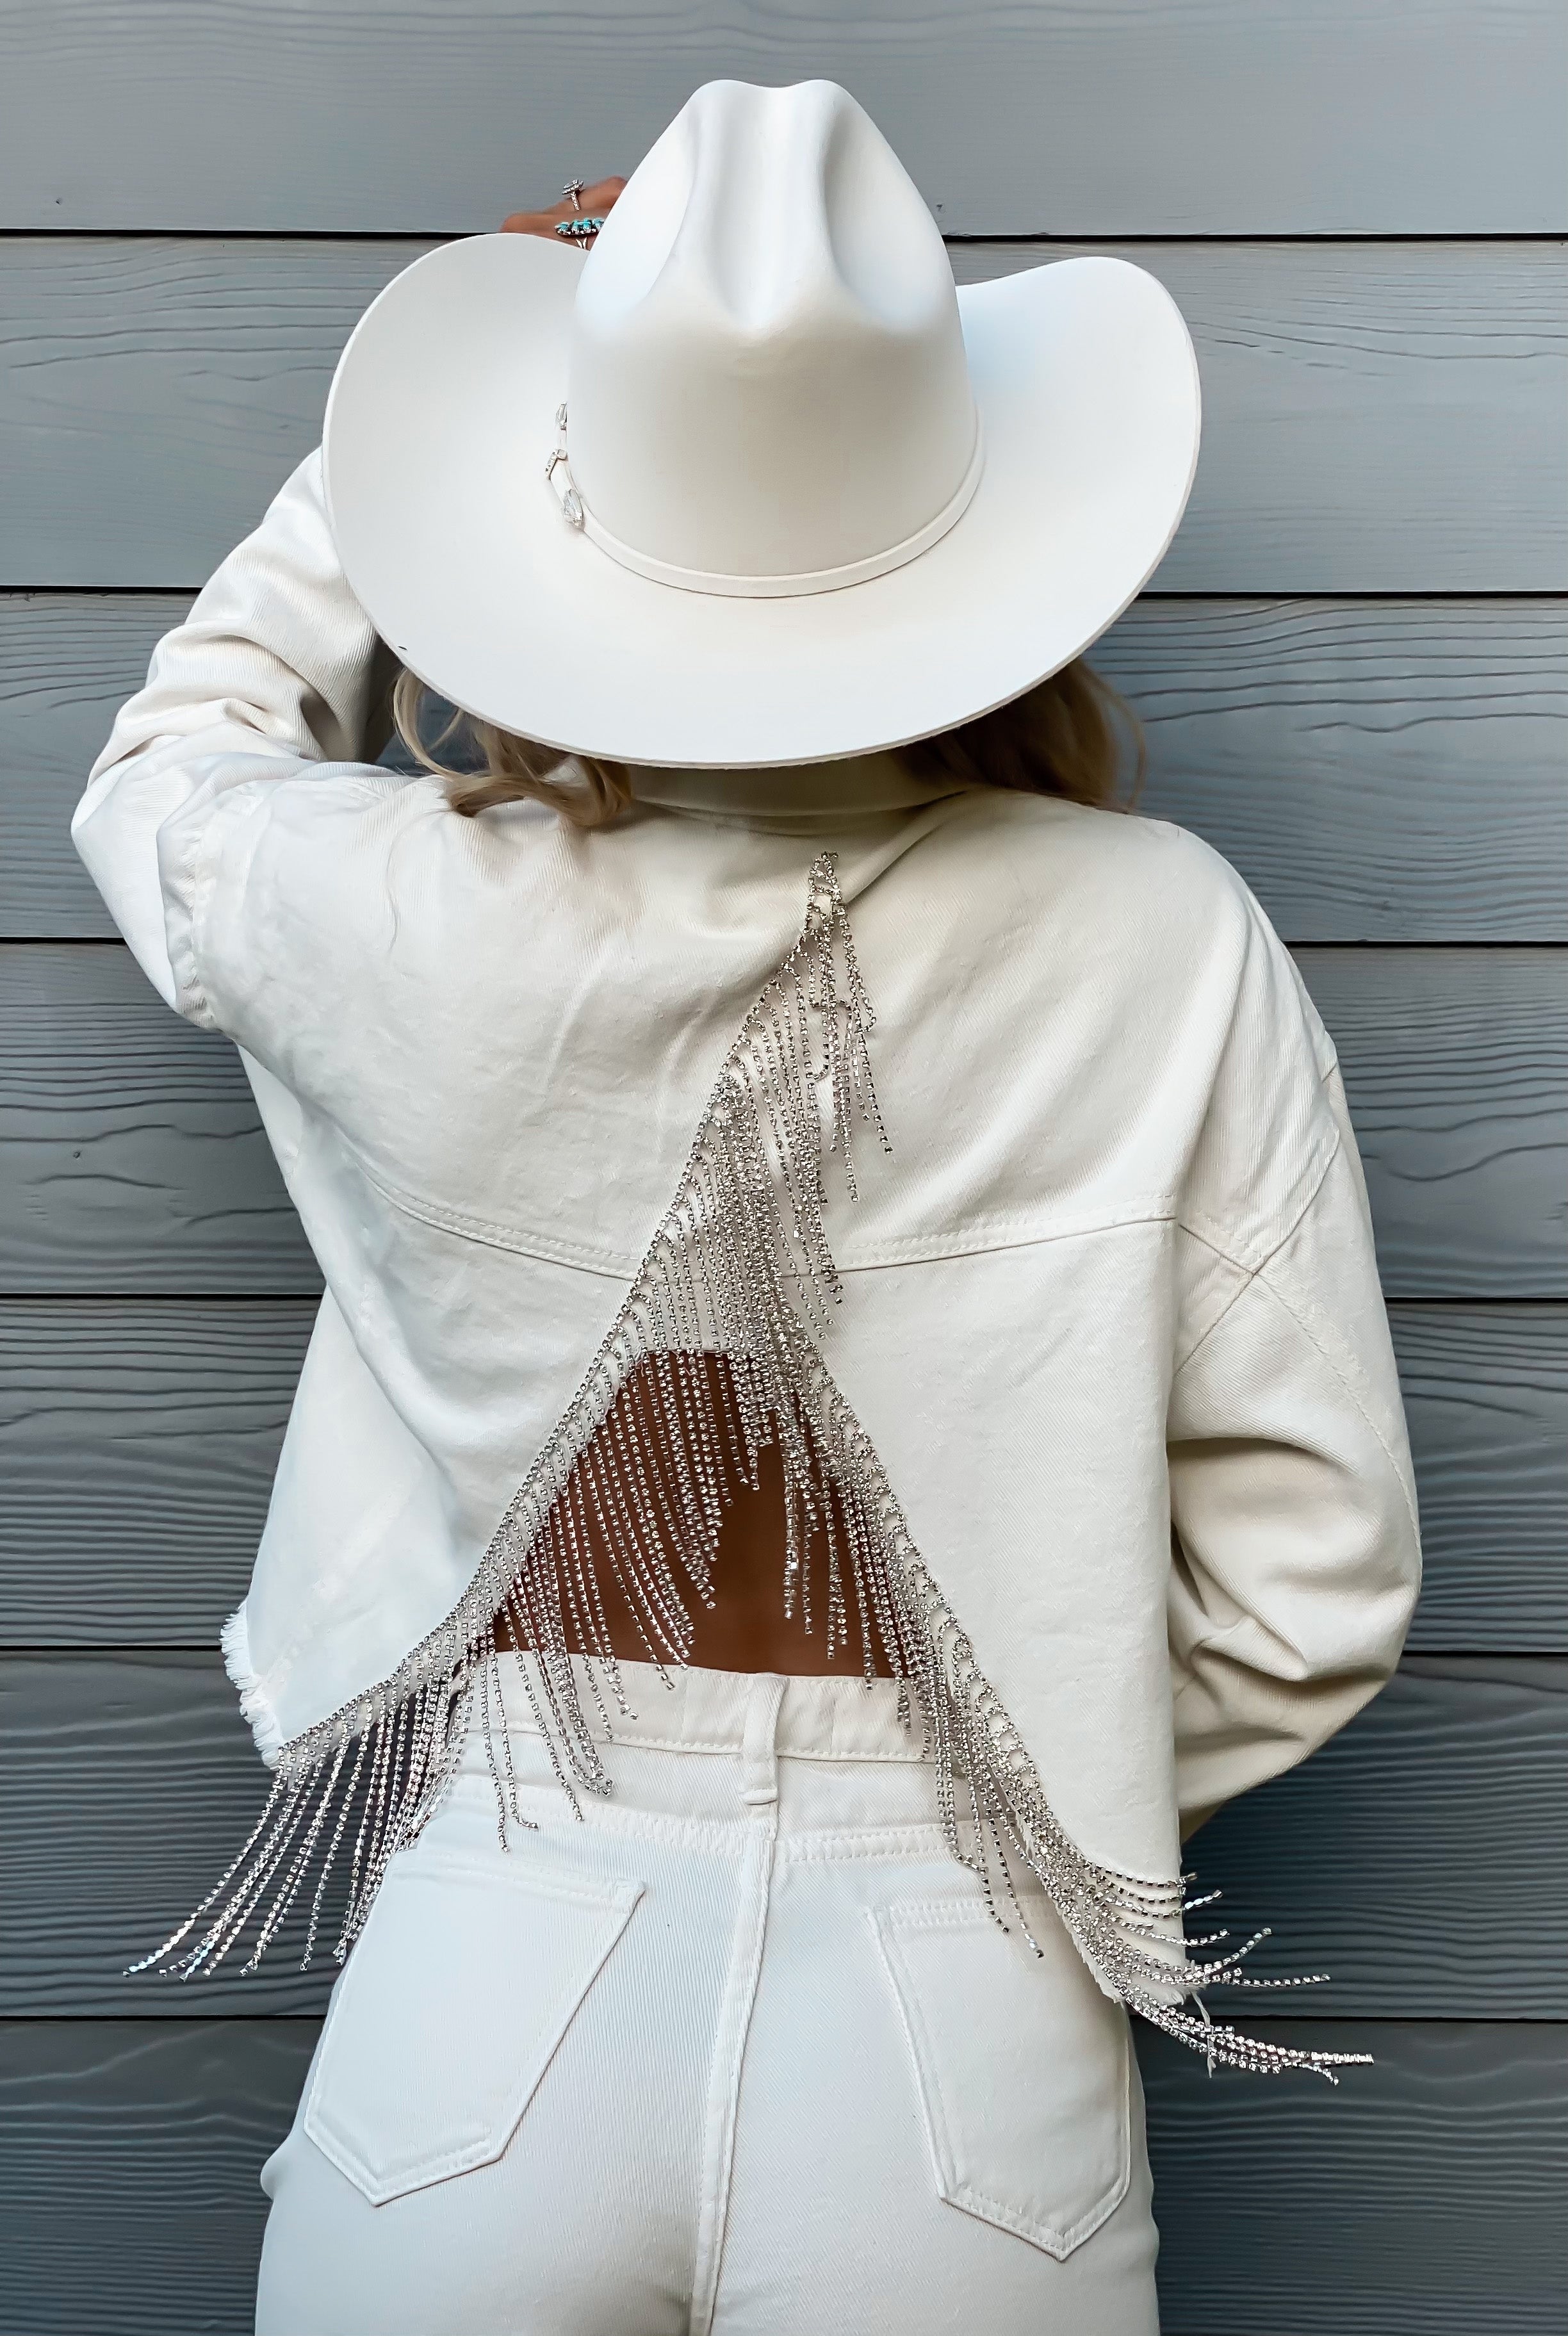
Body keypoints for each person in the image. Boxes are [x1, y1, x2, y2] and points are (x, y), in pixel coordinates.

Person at [74, 79, 1421, 2336]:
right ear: (975, 535)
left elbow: (170, 767)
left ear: (563, 537)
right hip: (971, 2006)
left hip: (495, 1968)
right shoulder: (1158, 934)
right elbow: (1312, 1586)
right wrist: (1044, 1731)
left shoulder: (409, 906)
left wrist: (392, 474)